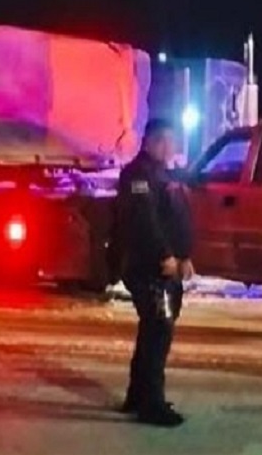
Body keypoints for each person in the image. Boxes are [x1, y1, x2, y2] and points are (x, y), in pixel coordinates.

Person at [114, 118, 194, 427]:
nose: (170, 147)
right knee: (159, 331)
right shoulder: (139, 176)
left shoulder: (163, 174)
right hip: (149, 266)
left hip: (166, 266)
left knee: (153, 330)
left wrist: (184, 255)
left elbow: (176, 218)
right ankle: (152, 404)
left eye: (172, 141)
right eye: (165, 141)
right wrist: (167, 256)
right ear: (149, 142)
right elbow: (145, 222)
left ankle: (139, 396)